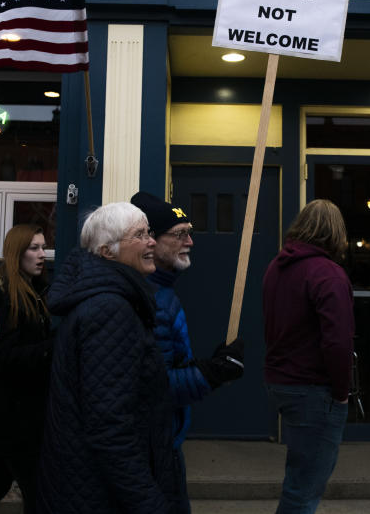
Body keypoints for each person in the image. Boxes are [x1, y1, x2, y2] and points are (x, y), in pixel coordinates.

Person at [38, 202, 181, 513]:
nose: (152, 242)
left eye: (150, 233)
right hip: (97, 494)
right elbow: (109, 426)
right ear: (107, 252)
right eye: (140, 235)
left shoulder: (114, 300)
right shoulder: (110, 309)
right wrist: (151, 503)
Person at [129, 191, 245, 514]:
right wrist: (211, 373)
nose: (190, 242)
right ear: (150, 239)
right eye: (180, 234)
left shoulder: (163, 292)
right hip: (150, 445)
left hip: (163, 439)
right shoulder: (152, 301)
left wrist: (208, 365)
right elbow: (155, 387)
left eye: (189, 232)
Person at [261, 199, 355, 514]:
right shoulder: (328, 274)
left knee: (299, 478)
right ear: (335, 232)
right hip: (315, 390)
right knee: (304, 489)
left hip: (281, 382)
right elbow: (338, 342)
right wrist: (342, 393)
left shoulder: (277, 267)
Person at [0, 224, 52, 514]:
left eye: (43, 247)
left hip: (22, 415)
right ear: (17, 253)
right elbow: (1, 357)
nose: (43, 254)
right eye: (34, 248)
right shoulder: (1, 296)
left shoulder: (34, 291)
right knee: (38, 494)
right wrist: (51, 349)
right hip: (11, 419)